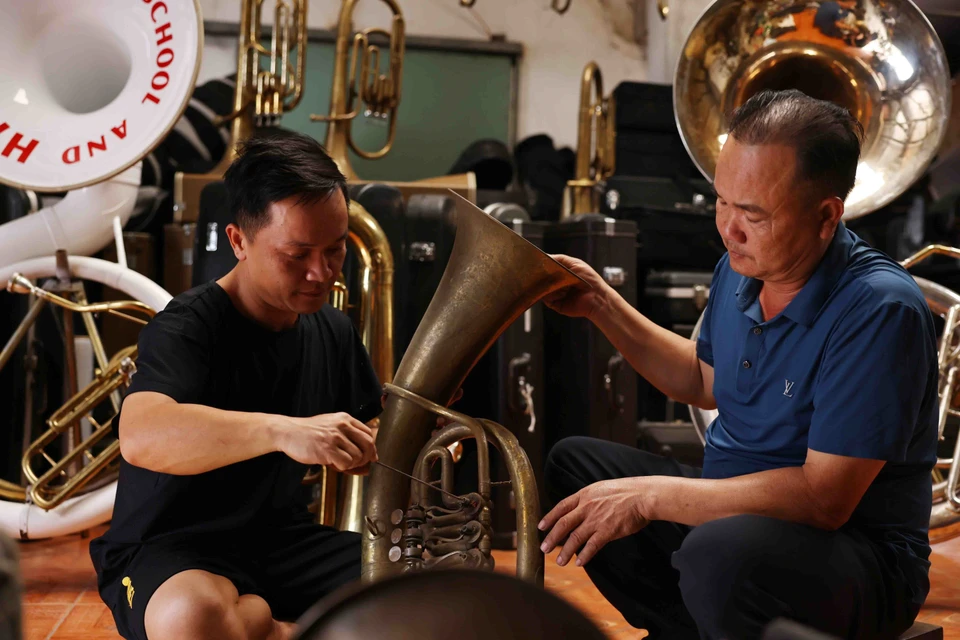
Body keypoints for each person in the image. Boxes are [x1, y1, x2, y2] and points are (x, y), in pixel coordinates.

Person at [539, 89, 938, 640]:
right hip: (735, 520)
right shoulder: (744, 264)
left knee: (714, 552)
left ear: (827, 216)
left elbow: (823, 501)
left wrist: (652, 496)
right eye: (723, 202)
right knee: (574, 470)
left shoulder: (879, 307)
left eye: (752, 213)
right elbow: (702, 382)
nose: (728, 229)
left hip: (856, 557)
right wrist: (601, 304)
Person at [90, 130, 383, 640]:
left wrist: (413, 436)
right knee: (191, 618)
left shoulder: (333, 328)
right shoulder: (187, 325)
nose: (322, 273)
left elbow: (370, 420)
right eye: (297, 254)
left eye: (335, 251)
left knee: (439, 583)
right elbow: (141, 434)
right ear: (238, 241)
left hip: (281, 542)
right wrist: (282, 431)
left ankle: (262, 626)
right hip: (169, 547)